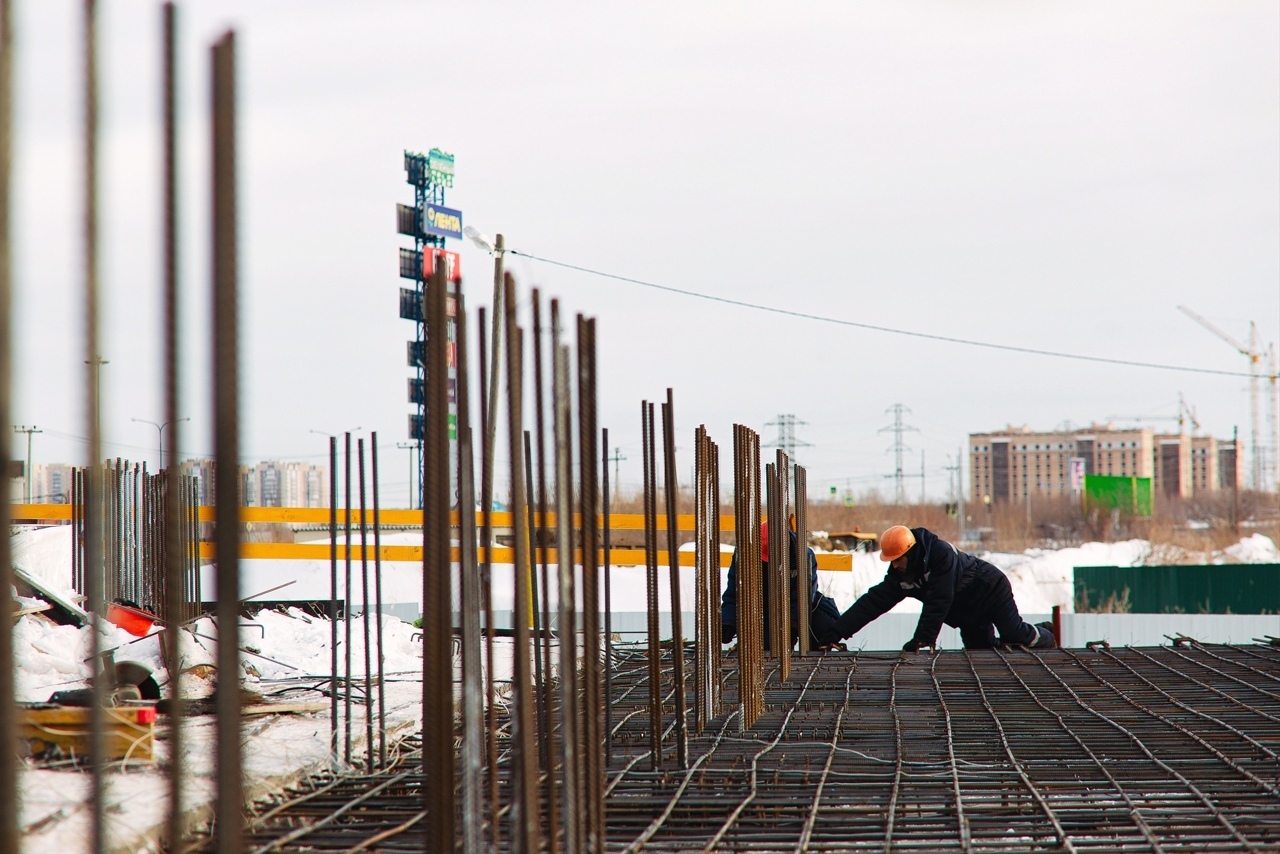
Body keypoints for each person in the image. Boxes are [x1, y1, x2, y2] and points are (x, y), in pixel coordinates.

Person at [834, 525, 1055, 651]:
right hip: (967, 610)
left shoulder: (941, 554)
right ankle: (1036, 628)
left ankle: (1046, 636)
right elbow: (873, 602)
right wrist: (837, 631)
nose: (894, 565)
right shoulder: (902, 574)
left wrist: (924, 637)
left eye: (897, 560)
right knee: (982, 651)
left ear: (910, 554)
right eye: (891, 561)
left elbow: (939, 599)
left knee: (1014, 633)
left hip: (990, 591)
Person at [721, 519, 844, 651]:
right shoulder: (744, 556)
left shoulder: (803, 555)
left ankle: (818, 649)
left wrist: (790, 626)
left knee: (825, 627)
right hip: (763, 606)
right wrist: (728, 622)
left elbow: (805, 597)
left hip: (799, 605)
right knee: (768, 645)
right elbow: (734, 593)